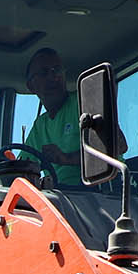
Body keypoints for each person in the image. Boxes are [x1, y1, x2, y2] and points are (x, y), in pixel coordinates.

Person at [21, 47, 81, 186]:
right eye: (44, 72)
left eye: (57, 70)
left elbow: (118, 146)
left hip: (99, 192)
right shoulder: (40, 126)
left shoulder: (83, 102)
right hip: (60, 195)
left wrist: (66, 158)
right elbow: (22, 166)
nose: (53, 76)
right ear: (31, 86)